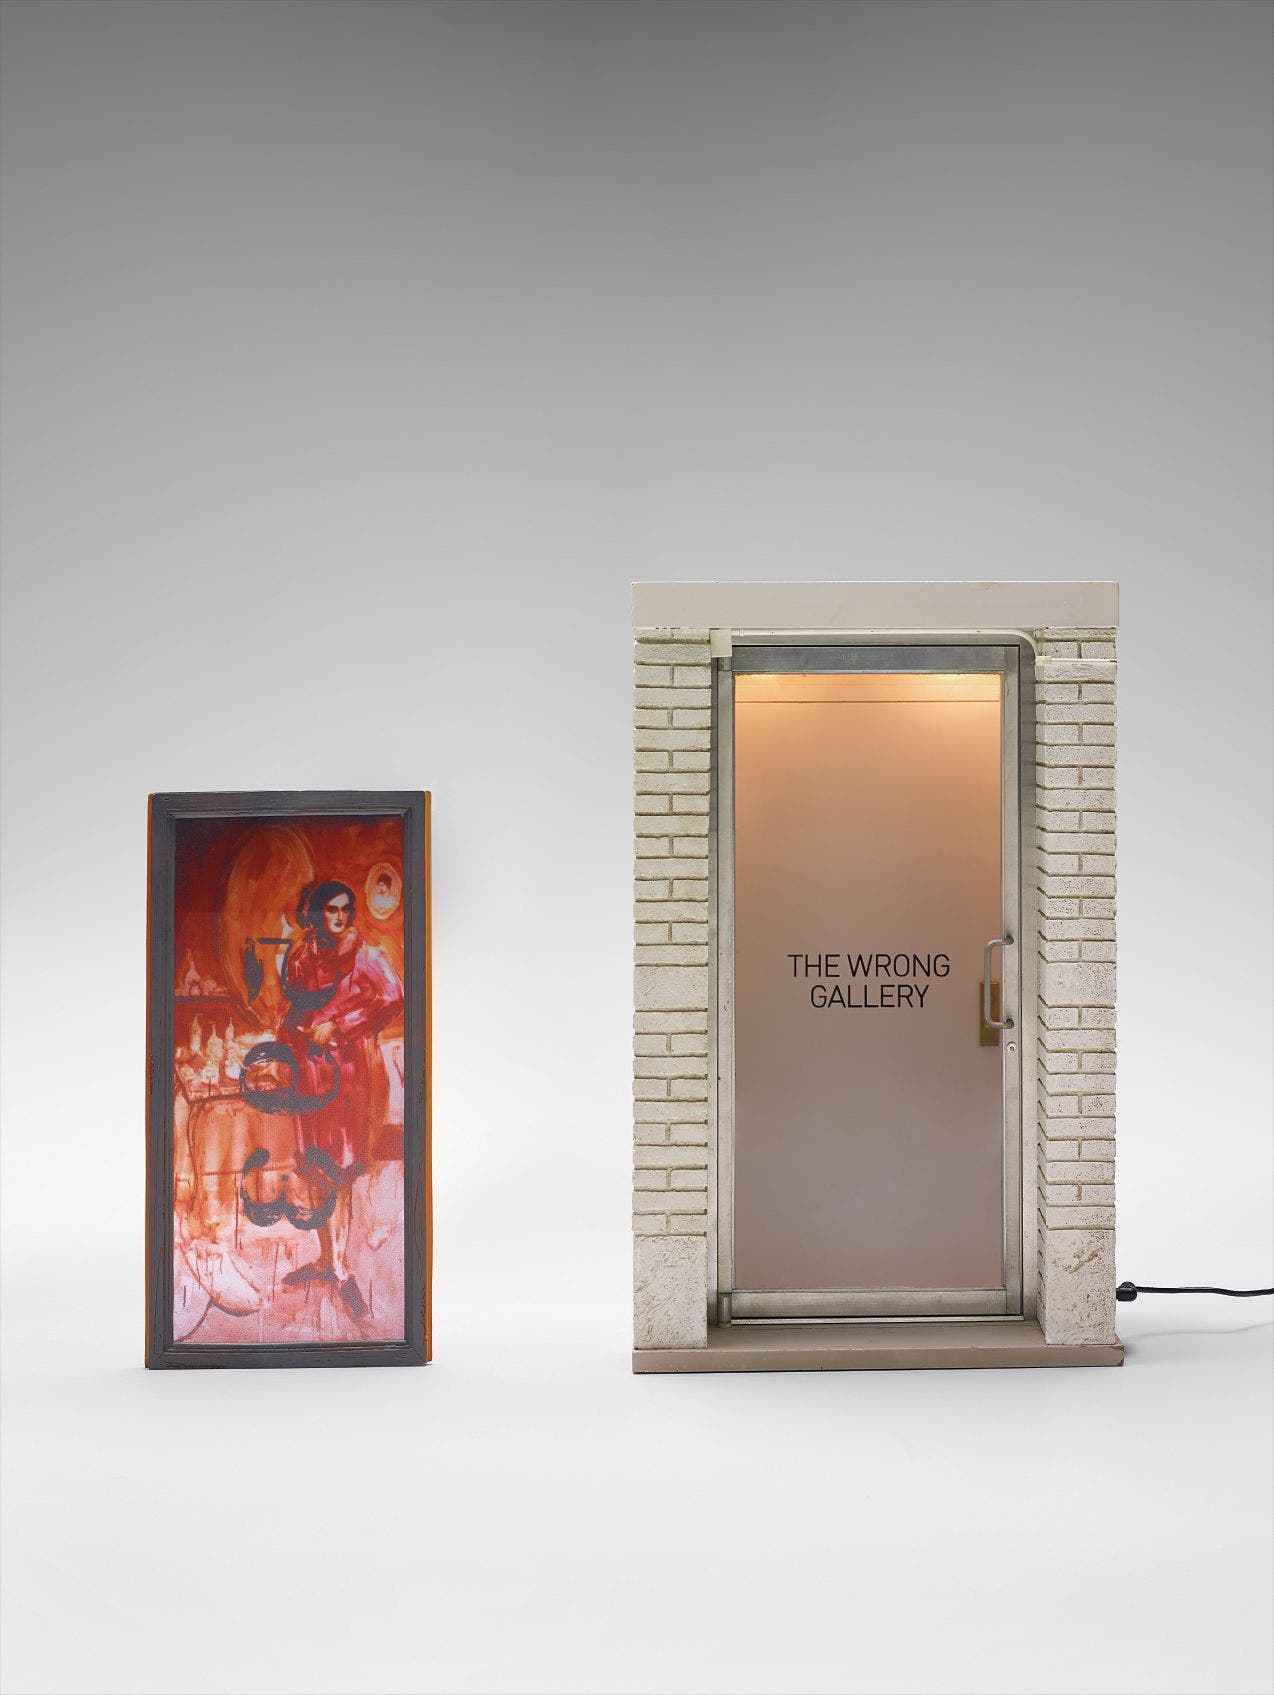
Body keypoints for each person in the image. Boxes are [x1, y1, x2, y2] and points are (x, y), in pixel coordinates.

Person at [278, 879, 403, 1317]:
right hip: (307, 1074)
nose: (340, 916)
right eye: (331, 909)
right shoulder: (301, 957)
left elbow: (394, 997)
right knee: (315, 1166)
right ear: (316, 913)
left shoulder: (366, 956)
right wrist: (282, 1046)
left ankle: (342, 1268)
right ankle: (326, 1260)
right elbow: (295, 1008)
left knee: (341, 1169)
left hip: (348, 1076)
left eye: (346, 909)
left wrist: (343, 1025)